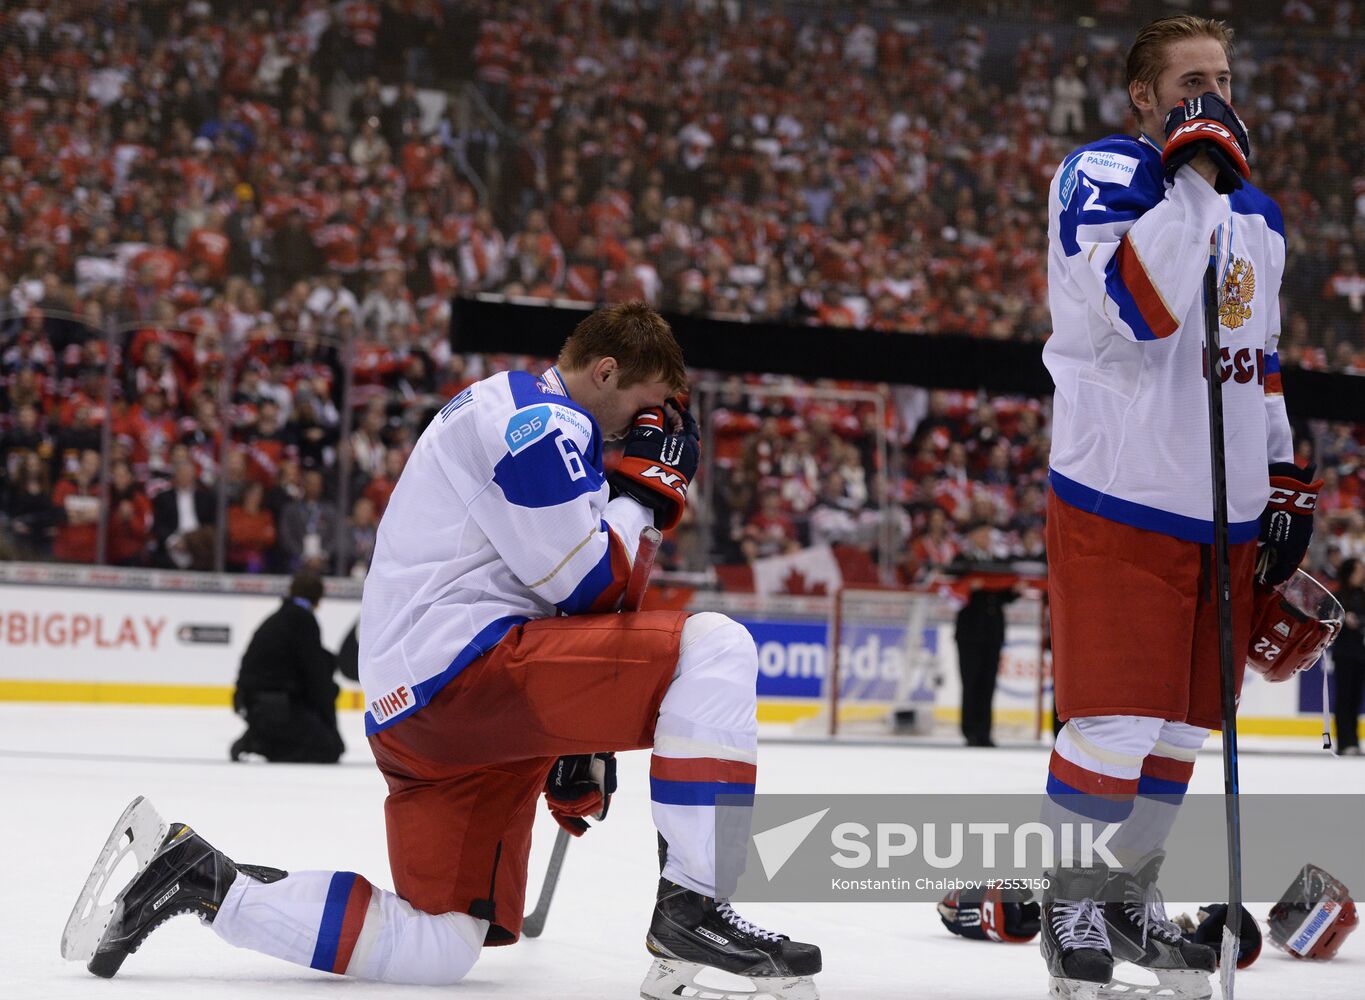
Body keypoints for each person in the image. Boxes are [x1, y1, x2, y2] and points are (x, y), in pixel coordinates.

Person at [71, 302, 821, 998]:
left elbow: (577, 597)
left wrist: (572, 733)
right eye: (645, 405)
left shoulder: (522, 412)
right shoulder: (540, 422)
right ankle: (697, 906)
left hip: (427, 712)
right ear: (605, 373)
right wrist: (649, 494)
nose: (645, 427)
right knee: (716, 646)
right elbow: (592, 584)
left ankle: (204, 880)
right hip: (460, 676)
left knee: (439, 943)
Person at [1039, 15, 1320, 999]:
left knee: (1182, 727)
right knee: (1114, 720)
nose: (1215, 95)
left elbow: (1260, 359)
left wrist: (1287, 474)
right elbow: (1136, 312)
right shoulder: (1107, 174)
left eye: (1225, 78)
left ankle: (1128, 891)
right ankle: (1069, 896)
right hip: (1122, 491)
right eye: (1191, 81)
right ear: (1145, 100)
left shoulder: (1261, 215)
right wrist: (1194, 176)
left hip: (1229, 509)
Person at [229, 570, 343, 764]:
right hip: (273, 705)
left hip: (258, 702)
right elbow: (315, 675)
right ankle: (259, 741)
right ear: (318, 598)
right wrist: (329, 720)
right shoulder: (302, 620)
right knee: (329, 749)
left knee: (327, 743)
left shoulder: (283, 617)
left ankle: (263, 735)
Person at [950, 522, 1022, 748]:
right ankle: (970, 730)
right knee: (970, 681)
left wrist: (1014, 592)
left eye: (987, 534)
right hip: (970, 632)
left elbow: (1005, 594)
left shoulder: (999, 563)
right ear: (972, 536)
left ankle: (985, 731)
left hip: (992, 632)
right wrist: (971, 586)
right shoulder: (962, 561)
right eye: (981, 534)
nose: (985, 538)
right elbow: (951, 590)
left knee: (988, 683)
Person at [1332, 558, 1365, 755]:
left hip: (1360, 655)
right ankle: (1344, 741)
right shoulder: (1338, 597)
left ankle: (1354, 739)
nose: (1362, 574)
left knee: (1355, 698)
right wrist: (1344, 620)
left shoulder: (1362, 596)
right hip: (1344, 654)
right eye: (1359, 570)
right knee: (1344, 698)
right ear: (1350, 573)